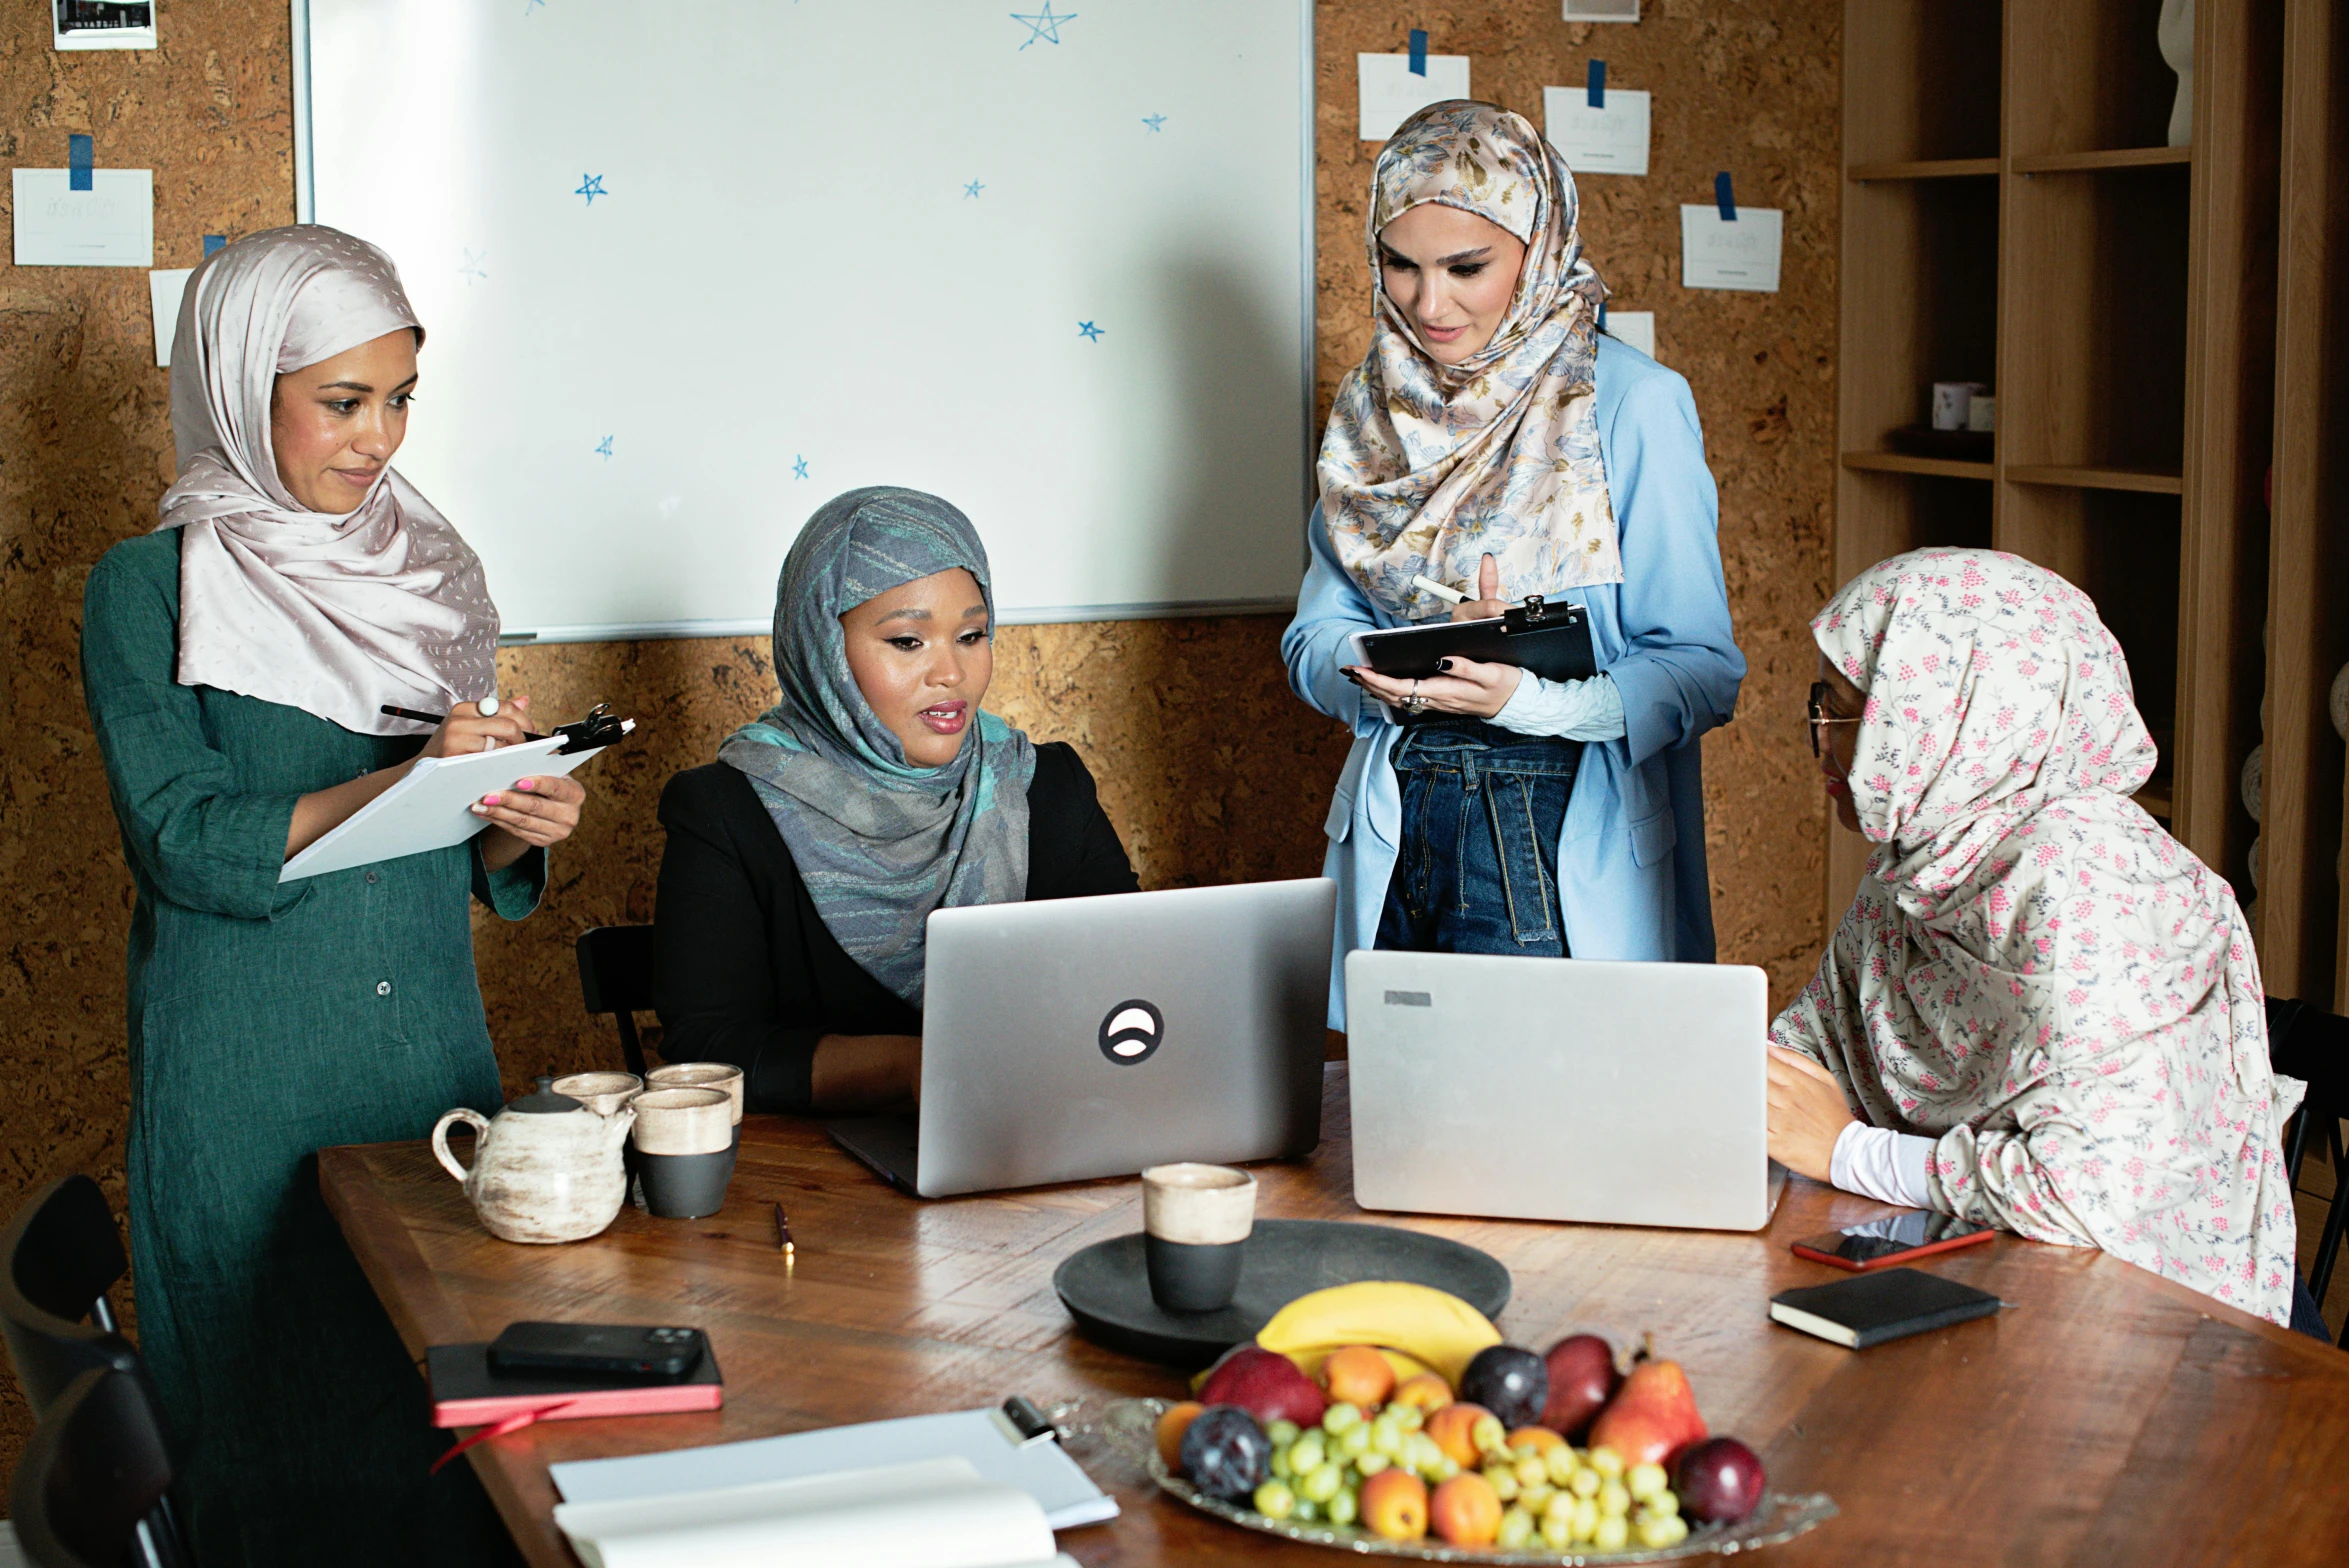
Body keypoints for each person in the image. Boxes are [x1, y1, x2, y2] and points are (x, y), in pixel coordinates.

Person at [81, 226, 582, 1563]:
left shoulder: (438, 578)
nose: (379, 439)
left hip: (424, 1069)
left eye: (401, 398)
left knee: (456, 1454)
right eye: (342, 402)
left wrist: (515, 822)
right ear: (246, 389)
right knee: (273, 1439)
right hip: (243, 1085)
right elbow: (184, 841)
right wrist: (404, 779)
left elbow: (471, 845)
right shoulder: (146, 590)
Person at [1767, 547, 2313, 1332]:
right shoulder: (1926, 859)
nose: (1821, 742)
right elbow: (1807, 1062)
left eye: (1849, 714)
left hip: (2159, 1335)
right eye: (1818, 705)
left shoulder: (2092, 890)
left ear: (1953, 723)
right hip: (1986, 1275)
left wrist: (1847, 1153)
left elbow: (2079, 1197)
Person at [1281, 100, 1743, 1027]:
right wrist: (1399, 664)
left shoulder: (1632, 403)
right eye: (1399, 264)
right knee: (1397, 1129)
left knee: (1546, 1138)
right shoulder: (1374, 407)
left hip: (1562, 831)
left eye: (1466, 267)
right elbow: (1312, 639)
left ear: (1537, 248)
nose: (1427, 303)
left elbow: (1701, 670)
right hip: (1403, 814)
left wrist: (1525, 699)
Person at [654, 486, 1137, 1113]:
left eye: (971, 635)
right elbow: (707, 1049)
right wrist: (912, 1069)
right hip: (812, 1186)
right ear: (823, 648)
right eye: (908, 642)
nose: (951, 674)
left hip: (1038, 1148)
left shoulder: (1045, 787)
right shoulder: (727, 810)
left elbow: (1132, 984)